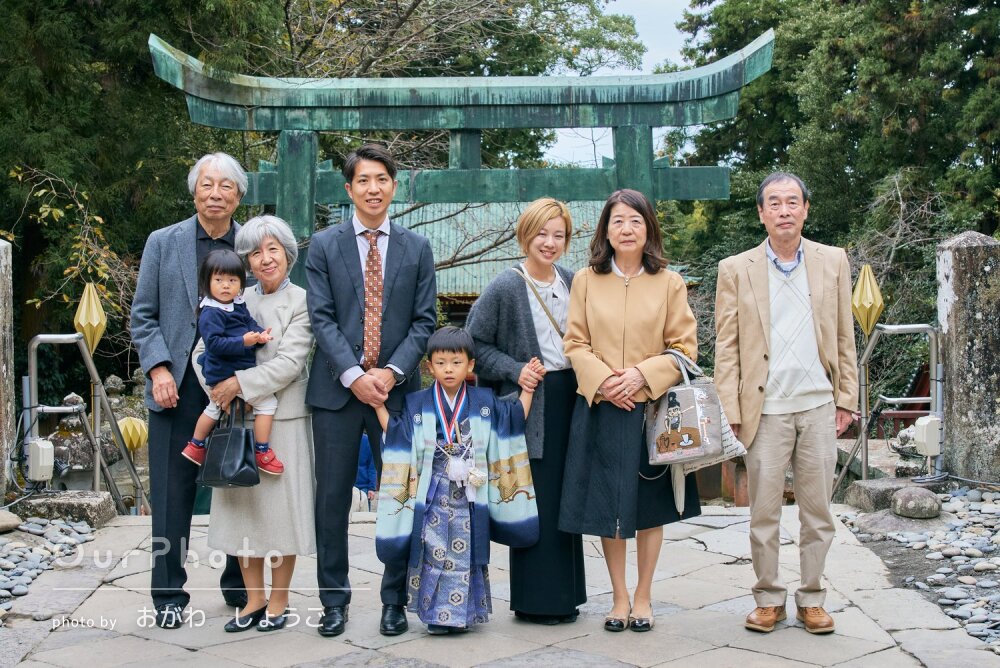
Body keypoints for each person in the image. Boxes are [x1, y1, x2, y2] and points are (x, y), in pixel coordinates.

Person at [714, 172, 858, 635]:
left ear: (805, 209)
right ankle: (768, 598)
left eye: (792, 202)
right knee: (764, 513)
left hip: (818, 403)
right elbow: (727, 345)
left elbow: (843, 334)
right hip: (765, 408)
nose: (783, 210)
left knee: (818, 511)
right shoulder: (736, 268)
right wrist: (730, 409)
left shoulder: (832, 261)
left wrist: (848, 398)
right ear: (761, 212)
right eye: (773, 203)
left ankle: (813, 597)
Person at [306, 143, 437, 637]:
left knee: (400, 497)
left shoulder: (416, 248)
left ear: (394, 186)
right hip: (336, 394)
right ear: (349, 189)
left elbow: (425, 321)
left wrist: (392, 372)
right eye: (363, 180)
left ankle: (394, 600)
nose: (373, 188)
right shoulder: (323, 246)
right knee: (332, 499)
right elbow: (321, 317)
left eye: (382, 179)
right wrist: (354, 375)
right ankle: (333, 601)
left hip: (398, 395)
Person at [559, 189, 700, 633]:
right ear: (606, 229)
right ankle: (618, 598)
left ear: (648, 229)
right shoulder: (585, 280)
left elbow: (684, 347)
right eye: (617, 221)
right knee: (608, 506)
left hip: (651, 408)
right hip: (601, 406)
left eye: (635, 221)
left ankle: (643, 596)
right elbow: (575, 343)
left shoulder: (669, 282)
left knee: (649, 507)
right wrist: (604, 382)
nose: (626, 229)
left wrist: (641, 376)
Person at [130, 152, 247, 628]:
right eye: (206, 185)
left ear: (239, 195)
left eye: (226, 186)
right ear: (194, 190)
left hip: (236, 386)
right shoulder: (164, 242)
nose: (215, 193)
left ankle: (241, 585)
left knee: (240, 485)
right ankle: (168, 594)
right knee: (172, 492)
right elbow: (144, 315)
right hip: (175, 387)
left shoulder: (253, 243)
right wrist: (158, 368)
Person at [374, 326, 543, 634]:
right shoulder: (417, 402)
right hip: (434, 490)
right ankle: (437, 616)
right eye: (440, 362)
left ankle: (464, 614)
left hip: (470, 492)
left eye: (455, 362)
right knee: (433, 550)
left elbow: (513, 417)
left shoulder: (483, 400)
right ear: (429, 366)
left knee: (466, 552)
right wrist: (378, 406)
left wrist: (528, 389)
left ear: (470, 366)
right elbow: (398, 435)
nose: (448, 369)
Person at [193, 215, 317, 633]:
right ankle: (253, 599)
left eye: (273, 250)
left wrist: (237, 383)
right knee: (244, 514)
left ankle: (279, 600)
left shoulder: (302, 300)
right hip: (236, 419)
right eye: (255, 253)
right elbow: (200, 351)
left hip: (284, 418)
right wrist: (217, 389)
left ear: (287, 253)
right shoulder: (230, 297)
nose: (265, 260)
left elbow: (289, 362)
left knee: (280, 515)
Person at [465, 197, 586, 624]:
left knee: (566, 496)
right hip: (534, 401)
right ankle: (538, 601)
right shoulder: (506, 285)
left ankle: (568, 596)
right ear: (525, 235)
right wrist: (517, 370)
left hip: (574, 395)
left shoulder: (574, 281)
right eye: (541, 233)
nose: (549, 242)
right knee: (536, 499)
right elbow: (473, 346)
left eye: (558, 235)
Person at [182, 249, 283, 476]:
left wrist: (259, 335)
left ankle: (196, 445)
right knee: (265, 403)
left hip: (236, 368)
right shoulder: (211, 312)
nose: (226, 286)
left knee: (215, 407)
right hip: (224, 370)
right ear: (207, 282)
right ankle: (261, 450)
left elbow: (248, 322)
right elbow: (215, 344)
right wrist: (244, 342)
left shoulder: (237, 304)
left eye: (232, 280)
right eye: (218, 280)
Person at [355, 434, 377, 509]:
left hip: (364, 488)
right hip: (347, 488)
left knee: (364, 517)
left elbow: (372, 467)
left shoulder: (368, 441)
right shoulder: (342, 439)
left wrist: (371, 488)